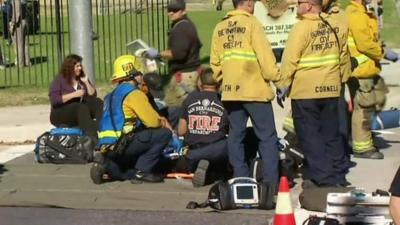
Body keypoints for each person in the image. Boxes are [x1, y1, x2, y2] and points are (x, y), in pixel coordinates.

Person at [210, 0, 282, 194]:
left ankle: (240, 181)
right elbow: (266, 60)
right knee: (267, 137)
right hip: (255, 90)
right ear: (248, 3)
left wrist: (225, 80)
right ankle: (270, 185)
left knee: (236, 136)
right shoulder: (252, 24)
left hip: (232, 92)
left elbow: (215, 63)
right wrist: (279, 81)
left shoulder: (220, 27)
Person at [279, 0, 349, 187]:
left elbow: (290, 61)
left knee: (310, 137)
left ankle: (324, 179)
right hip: (331, 89)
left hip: (306, 91)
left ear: (309, 5)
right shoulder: (337, 26)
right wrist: (340, 82)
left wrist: (282, 85)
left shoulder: (301, 29)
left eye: (300, 2)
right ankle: (339, 175)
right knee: (331, 134)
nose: (298, 6)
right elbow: (344, 58)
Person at [90, 55, 172, 184]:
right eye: (139, 73)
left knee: (125, 174)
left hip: (106, 146)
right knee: (163, 134)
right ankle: (142, 171)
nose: (142, 76)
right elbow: (152, 122)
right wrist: (162, 121)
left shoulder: (109, 96)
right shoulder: (134, 94)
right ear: (132, 75)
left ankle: (105, 165)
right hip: (123, 144)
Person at [345, 0, 387, 159]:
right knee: (364, 108)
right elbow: (364, 44)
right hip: (361, 70)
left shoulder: (359, 13)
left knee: (361, 107)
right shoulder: (357, 15)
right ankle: (362, 147)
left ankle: (356, 140)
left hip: (361, 69)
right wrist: (381, 52)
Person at [177, 68, 229, 187]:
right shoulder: (224, 100)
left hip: (193, 151)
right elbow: (232, 130)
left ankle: (201, 168)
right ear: (219, 82)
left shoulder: (189, 99)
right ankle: (214, 171)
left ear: (200, 83)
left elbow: (181, 131)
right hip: (217, 149)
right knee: (233, 143)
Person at [145, 0, 202, 107]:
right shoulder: (187, 25)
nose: (171, 13)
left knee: (177, 109)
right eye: (169, 10)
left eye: (175, 10)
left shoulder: (181, 28)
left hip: (184, 76)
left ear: (184, 11)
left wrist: (158, 54)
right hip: (189, 73)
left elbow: (178, 54)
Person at [48, 54, 103, 142]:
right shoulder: (60, 79)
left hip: (79, 111)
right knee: (80, 107)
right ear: (70, 67)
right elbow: (55, 100)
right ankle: (93, 140)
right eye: (77, 66)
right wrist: (74, 94)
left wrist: (86, 82)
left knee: (97, 102)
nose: (80, 68)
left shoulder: (81, 79)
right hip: (60, 113)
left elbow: (93, 95)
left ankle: (104, 130)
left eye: (80, 65)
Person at [10, 0, 30, 67]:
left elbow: (17, 13)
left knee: (19, 44)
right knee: (25, 44)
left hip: (19, 23)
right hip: (25, 21)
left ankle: (20, 63)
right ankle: (27, 61)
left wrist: (12, 24)